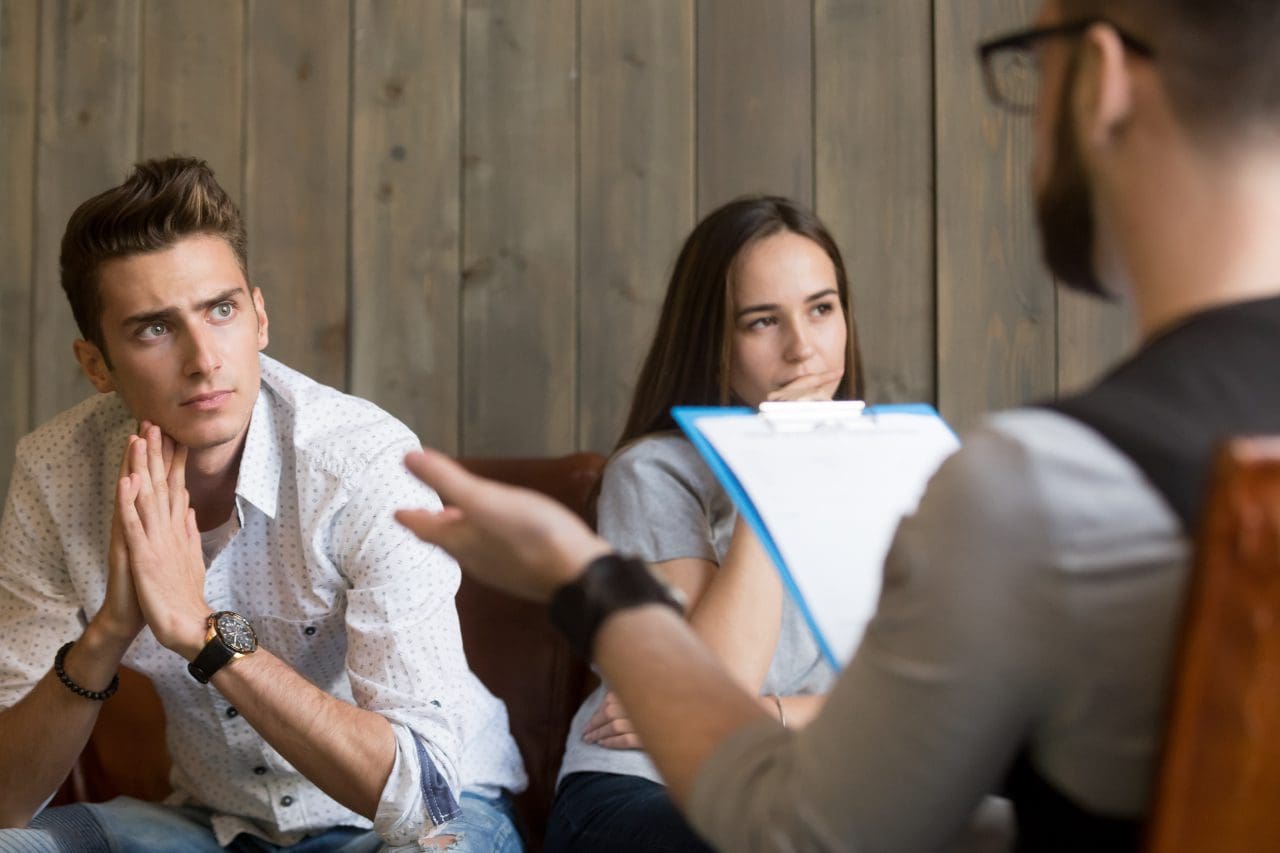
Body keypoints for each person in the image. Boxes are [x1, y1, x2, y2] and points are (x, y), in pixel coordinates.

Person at [396, 0, 1280, 848]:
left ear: (1102, 78)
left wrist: (580, 577)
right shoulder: (672, 469)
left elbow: (803, 830)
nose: (799, 345)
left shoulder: (1039, 485)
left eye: (1033, 67)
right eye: (761, 319)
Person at [0, 157, 525, 852]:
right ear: (96, 364)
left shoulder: (361, 463)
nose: (204, 358)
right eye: (154, 328)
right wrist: (108, 631)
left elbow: (418, 791)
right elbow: (8, 797)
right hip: (215, 826)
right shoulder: (56, 472)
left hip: (415, 822)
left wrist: (203, 631)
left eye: (221, 310)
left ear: (260, 317)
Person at [544, 197, 863, 852]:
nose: (803, 347)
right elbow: (714, 692)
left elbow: (911, 702)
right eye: (762, 321)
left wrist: (769, 716)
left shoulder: (892, 466)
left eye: (821, 308)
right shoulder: (656, 470)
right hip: (645, 787)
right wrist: (769, 478)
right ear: (715, 341)